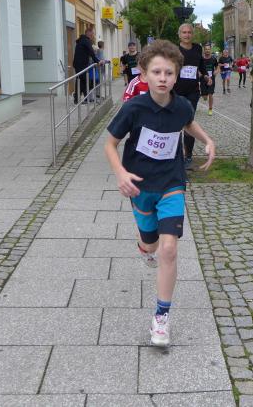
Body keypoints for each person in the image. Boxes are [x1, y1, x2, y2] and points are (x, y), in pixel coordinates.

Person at [104, 39, 216, 348]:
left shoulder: (181, 106)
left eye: (169, 72)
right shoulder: (134, 108)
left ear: (177, 75)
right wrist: (121, 173)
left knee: (168, 249)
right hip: (140, 185)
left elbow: (188, 123)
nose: (163, 78)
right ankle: (144, 248)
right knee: (151, 243)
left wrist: (207, 140)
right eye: (156, 72)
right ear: (144, 74)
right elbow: (110, 143)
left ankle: (161, 317)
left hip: (171, 183)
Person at [175, 23, 205, 167]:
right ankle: (174, 154)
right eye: (184, 32)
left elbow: (201, 66)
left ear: (192, 34)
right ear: (179, 34)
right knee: (175, 123)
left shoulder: (198, 48)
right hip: (176, 91)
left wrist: (206, 76)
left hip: (193, 92)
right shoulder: (174, 50)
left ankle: (188, 156)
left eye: (189, 32)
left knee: (189, 122)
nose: (187, 35)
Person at [73, 26, 100, 104]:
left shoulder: (82, 40)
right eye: (92, 33)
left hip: (80, 64)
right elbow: (91, 52)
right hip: (81, 65)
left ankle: (84, 98)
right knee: (82, 81)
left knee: (83, 81)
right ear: (88, 33)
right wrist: (98, 61)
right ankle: (78, 99)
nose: (93, 35)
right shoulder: (86, 41)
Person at [200, 44, 219, 115]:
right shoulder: (201, 59)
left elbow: (217, 67)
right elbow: (198, 68)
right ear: (204, 50)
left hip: (211, 79)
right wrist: (200, 73)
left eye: (208, 49)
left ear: (210, 50)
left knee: (210, 94)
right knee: (205, 97)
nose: (207, 50)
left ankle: (210, 109)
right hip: (203, 79)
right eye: (206, 49)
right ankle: (203, 94)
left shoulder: (213, 59)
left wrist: (216, 71)